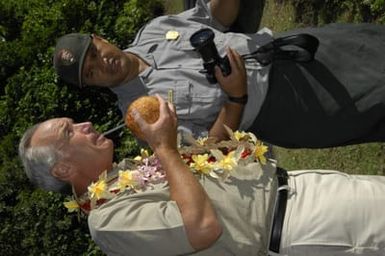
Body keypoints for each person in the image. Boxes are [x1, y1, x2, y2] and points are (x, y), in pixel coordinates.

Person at [19, 95, 385, 255]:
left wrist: (176, 141)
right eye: (69, 131)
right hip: (300, 225)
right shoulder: (107, 221)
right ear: (63, 169)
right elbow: (201, 226)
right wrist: (163, 148)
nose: (85, 124)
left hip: (300, 189)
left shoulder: (127, 172)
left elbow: (208, 169)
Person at [52, 0, 385, 148]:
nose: (101, 65)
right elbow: (206, 147)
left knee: (373, 43)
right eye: (90, 72)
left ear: (100, 39)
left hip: (291, 48)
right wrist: (235, 97)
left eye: (94, 54)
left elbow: (218, 17)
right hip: (284, 110)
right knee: (375, 102)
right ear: (89, 85)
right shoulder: (140, 118)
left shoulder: (154, 30)